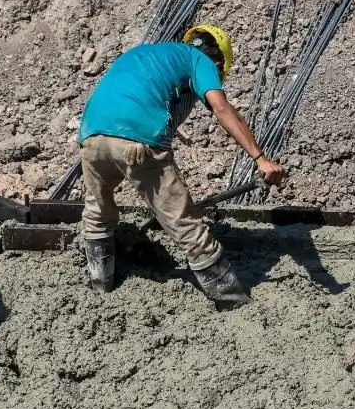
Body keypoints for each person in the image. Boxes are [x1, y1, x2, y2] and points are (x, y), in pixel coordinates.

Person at [77, 25, 284, 307]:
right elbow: (221, 108)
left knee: (97, 211)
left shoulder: (146, 54)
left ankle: (101, 287)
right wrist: (260, 159)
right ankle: (232, 301)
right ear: (219, 61)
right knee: (185, 224)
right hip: (138, 139)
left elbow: (134, 95)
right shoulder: (199, 60)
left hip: (91, 134)